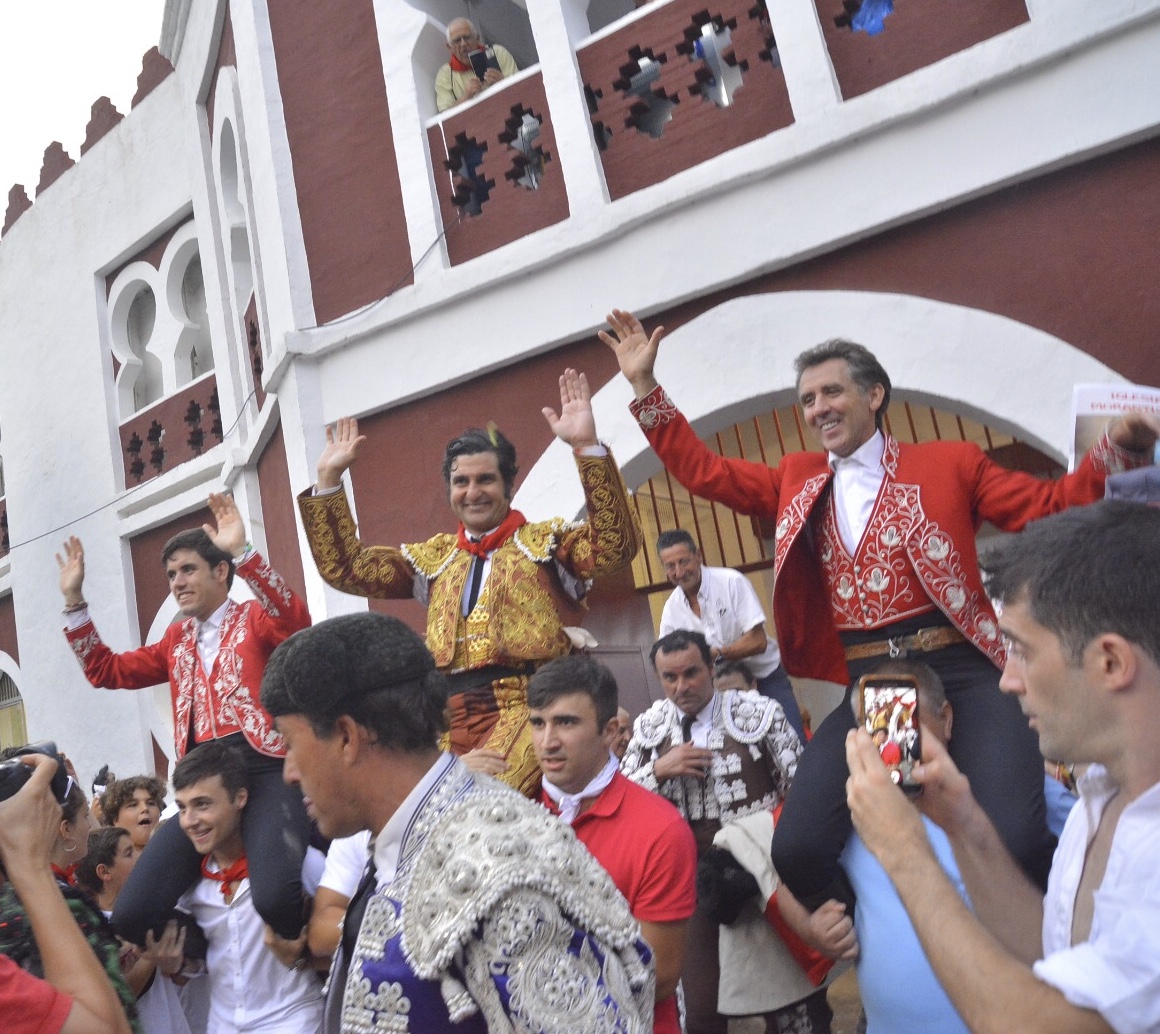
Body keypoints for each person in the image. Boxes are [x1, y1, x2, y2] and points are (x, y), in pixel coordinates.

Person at [601, 308, 1160, 907]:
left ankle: (1050, 953)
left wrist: (1114, 451)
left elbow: (1049, 505)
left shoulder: (949, 461)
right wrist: (643, 386)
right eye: (808, 398)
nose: (818, 408)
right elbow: (703, 471)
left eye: (831, 391)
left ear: (875, 394)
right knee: (803, 847)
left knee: (1019, 837)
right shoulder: (798, 476)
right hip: (880, 689)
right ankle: (880, 943)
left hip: (964, 672)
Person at [847, 500, 1160, 1034]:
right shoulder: (1100, 797)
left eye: (1021, 650)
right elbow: (1051, 952)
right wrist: (965, 825)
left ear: (1109, 662)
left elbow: (1044, 1024)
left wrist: (905, 852)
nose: (1007, 681)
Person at [260, 611, 655, 1034]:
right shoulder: (415, 835)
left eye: (289, 744)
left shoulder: (494, 869)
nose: (289, 772)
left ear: (346, 737)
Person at [297, 369, 642, 796]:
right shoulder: (437, 558)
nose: (473, 492)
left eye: (486, 480)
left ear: (509, 487)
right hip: (444, 719)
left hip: (529, 707)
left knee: (484, 799)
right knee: (408, 805)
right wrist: (329, 482)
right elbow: (348, 570)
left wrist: (586, 447)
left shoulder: (545, 542)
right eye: (461, 481)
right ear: (449, 490)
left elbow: (614, 546)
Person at [59, 492, 313, 946]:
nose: (177, 581)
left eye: (188, 569)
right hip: (198, 781)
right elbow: (106, 670)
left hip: (264, 769)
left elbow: (295, 621)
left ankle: (316, 959)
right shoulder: (175, 639)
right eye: (171, 574)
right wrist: (75, 601)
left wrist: (246, 552)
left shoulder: (254, 619)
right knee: (132, 914)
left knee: (275, 899)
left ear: (221, 572)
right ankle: (209, 951)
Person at [620, 630, 817, 1034]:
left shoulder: (759, 712)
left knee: (790, 1003)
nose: (681, 687)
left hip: (759, 867)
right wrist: (658, 769)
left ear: (712, 667)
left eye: (691, 673)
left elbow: (800, 790)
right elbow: (619, 797)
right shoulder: (650, 727)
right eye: (669, 678)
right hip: (688, 877)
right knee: (699, 1006)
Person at [527, 654, 697, 1034]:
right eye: (537, 723)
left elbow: (658, 978)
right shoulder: (513, 812)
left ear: (609, 731)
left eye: (566, 722)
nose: (547, 741)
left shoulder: (660, 830)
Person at [169, 740, 325, 1034]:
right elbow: (209, 960)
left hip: (294, 1020)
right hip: (221, 1023)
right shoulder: (189, 884)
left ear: (239, 798)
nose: (190, 821)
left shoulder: (300, 865)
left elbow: (346, 926)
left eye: (202, 804)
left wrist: (307, 954)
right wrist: (177, 965)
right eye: (182, 807)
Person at [0, 752, 133, 1034]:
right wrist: (30, 867)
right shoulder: (59, 904)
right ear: (60, 829)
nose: (89, 824)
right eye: (85, 815)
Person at [656, 529, 804, 738]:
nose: (679, 572)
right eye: (670, 566)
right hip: (720, 690)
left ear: (698, 556)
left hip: (766, 678)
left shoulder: (731, 582)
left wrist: (717, 654)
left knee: (793, 741)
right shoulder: (671, 609)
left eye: (684, 561)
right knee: (733, 758)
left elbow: (758, 641)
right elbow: (666, 657)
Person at [76, 828, 192, 1034]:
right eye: (129, 853)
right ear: (104, 872)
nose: (140, 856)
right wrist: (149, 953)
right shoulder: (95, 929)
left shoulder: (155, 910)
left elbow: (183, 977)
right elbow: (123, 994)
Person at [435, 19, 518, 112]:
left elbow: (522, 88)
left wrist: (502, 82)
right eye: (457, 40)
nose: (463, 44)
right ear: (449, 47)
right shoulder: (445, 75)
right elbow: (445, 117)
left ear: (477, 38)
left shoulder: (497, 53)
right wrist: (467, 96)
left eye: (467, 37)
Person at [100, 776, 165, 855]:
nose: (145, 808)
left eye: (151, 803)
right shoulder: (108, 862)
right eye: (133, 805)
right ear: (115, 819)